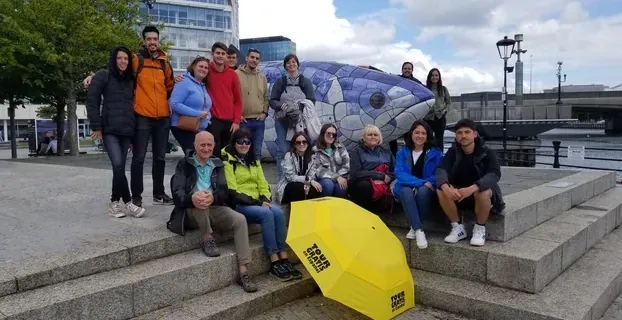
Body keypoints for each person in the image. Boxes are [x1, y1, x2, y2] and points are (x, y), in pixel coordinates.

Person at [83, 25, 176, 207]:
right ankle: (137, 196)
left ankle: (158, 193)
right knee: (139, 158)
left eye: (155, 39)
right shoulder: (135, 60)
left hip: (163, 117)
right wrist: (93, 76)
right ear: (144, 41)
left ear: (158, 41)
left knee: (160, 158)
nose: (152, 42)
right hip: (142, 116)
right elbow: (117, 69)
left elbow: (170, 87)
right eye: (148, 39)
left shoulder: (165, 64)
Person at [168, 131, 258, 292]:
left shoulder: (217, 163)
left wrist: (214, 197)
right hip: (190, 211)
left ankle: (244, 271)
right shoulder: (184, 164)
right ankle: (207, 239)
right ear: (195, 145)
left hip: (214, 207)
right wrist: (192, 198)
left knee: (240, 220)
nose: (206, 148)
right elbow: (177, 194)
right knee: (200, 203)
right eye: (202, 145)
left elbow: (224, 192)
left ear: (214, 146)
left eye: (209, 145)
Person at [222, 128, 302, 281]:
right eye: (240, 142)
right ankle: (274, 260)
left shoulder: (254, 160)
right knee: (266, 214)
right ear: (234, 143)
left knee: (277, 212)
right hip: (241, 204)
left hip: (258, 202)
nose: (244, 145)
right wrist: (259, 203)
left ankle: (284, 258)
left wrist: (265, 198)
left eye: (247, 142)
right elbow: (233, 191)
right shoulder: (229, 162)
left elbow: (263, 183)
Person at [86, 45, 146, 218]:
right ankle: (128, 203)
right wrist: (96, 127)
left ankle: (114, 203)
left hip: (127, 131)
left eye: (126, 58)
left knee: (118, 168)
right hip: (110, 129)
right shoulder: (103, 76)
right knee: (118, 165)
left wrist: (134, 136)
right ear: (114, 59)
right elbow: (92, 101)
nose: (123, 61)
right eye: (119, 58)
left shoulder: (130, 80)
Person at [435, 119, 505, 247]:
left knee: (482, 193)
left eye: (467, 132)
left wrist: (474, 187)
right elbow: (441, 169)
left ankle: (480, 228)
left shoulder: (486, 152)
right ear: (456, 136)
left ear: (475, 134)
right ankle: (457, 227)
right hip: (460, 193)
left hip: (480, 193)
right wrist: (446, 186)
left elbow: (495, 174)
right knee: (441, 189)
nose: (463, 136)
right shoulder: (453, 152)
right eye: (459, 133)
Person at [393, 120, 444, 248]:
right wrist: (420, 183)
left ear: (427, 136)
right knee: (406, 191)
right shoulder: (402, 153)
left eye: (423, 133)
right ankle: (418, 229)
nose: (420, 136)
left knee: (423, 191)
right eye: (417, 132)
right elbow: (399, 173)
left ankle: (414, 227)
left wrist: (423, 185)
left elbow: (438, 174)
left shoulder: (435, 153)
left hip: (427, 189)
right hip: (405, 187)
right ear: (411, 134)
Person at [269, 54, 315, 179]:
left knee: (301, 148)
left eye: (293, 62)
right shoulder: (280, 82)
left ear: (298, 64)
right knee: (284, 150)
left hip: (300, 121)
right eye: (288, 63)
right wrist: (282, 106)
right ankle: (282, 179)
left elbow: (312, 100)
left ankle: (299, 177)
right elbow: (272, 100)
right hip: (282, 120)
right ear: (285, 66)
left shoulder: (305, 82)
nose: (291, 64)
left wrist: (299, 108)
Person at [348, 125, 395, 214]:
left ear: (379, 138)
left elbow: (394, 170)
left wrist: (386, 179)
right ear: (364, 137)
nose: (373, 137)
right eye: (370, 134)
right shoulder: (356, 152)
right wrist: (379, 176)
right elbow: (356, 174)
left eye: (375, 135)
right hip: (361, 184)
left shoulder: (386, 152)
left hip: (383, 183)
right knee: (364, 186)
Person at [169, 56, 211, 154]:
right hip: (183, 127)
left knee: (198, 159)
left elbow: (205, 106)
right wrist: (198, 114)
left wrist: (208, 117)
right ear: (193, 67)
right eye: (200, 66)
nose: (203, 69)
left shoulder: (203, 86)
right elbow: (174, 103)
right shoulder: (183, 81)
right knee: (193, 157)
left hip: (198, 128)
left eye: (206, 68)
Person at [236, 48, 269, 160]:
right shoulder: (236, 74)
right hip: (243, 121)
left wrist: (265, 113)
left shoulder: (262, 77)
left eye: (257, 58)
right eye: (252, 57)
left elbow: (266, 97)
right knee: (243, 154)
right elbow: (231, 97)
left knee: (257, 153)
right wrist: (237, 116)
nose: (254, 60)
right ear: (246, 58)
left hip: (259, 121)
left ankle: (256, 177)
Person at [275, 132, 322, 205]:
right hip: (289, 186)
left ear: (307, 143)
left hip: (306, 184)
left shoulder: (313, 157)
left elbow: (312, 175)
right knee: (298, 187)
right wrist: (309, 181)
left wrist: (308, 184)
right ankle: (295, 212)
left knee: (316, 188)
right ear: (294, 144)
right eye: (298, 142)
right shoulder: (288, 156)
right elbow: (290, 177)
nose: (301, 144)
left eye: (304, 142)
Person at [312, 123, 350, 198]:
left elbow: (346, 165)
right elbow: (318, 169)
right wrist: (336, 177)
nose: (331, 136)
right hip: (324, 179)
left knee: (341, 188)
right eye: (328, 133)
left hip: (341, 177)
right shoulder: (315, 150)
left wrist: (339, 177)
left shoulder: (340, 148)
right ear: (323, 134)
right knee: (328, 184)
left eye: (334, 134)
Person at [423, 68, 452, 149]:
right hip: (428, 118)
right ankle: (429, 157)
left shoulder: (443, 89)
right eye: (432, 75)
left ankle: (440, 158)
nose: (434, 77)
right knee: (428, 139)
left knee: (439, 140)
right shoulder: (425, 89)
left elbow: (449, 102)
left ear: (439, 77)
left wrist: (445, 111)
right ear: (429, 77)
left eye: (436, 75)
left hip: (440, 118)